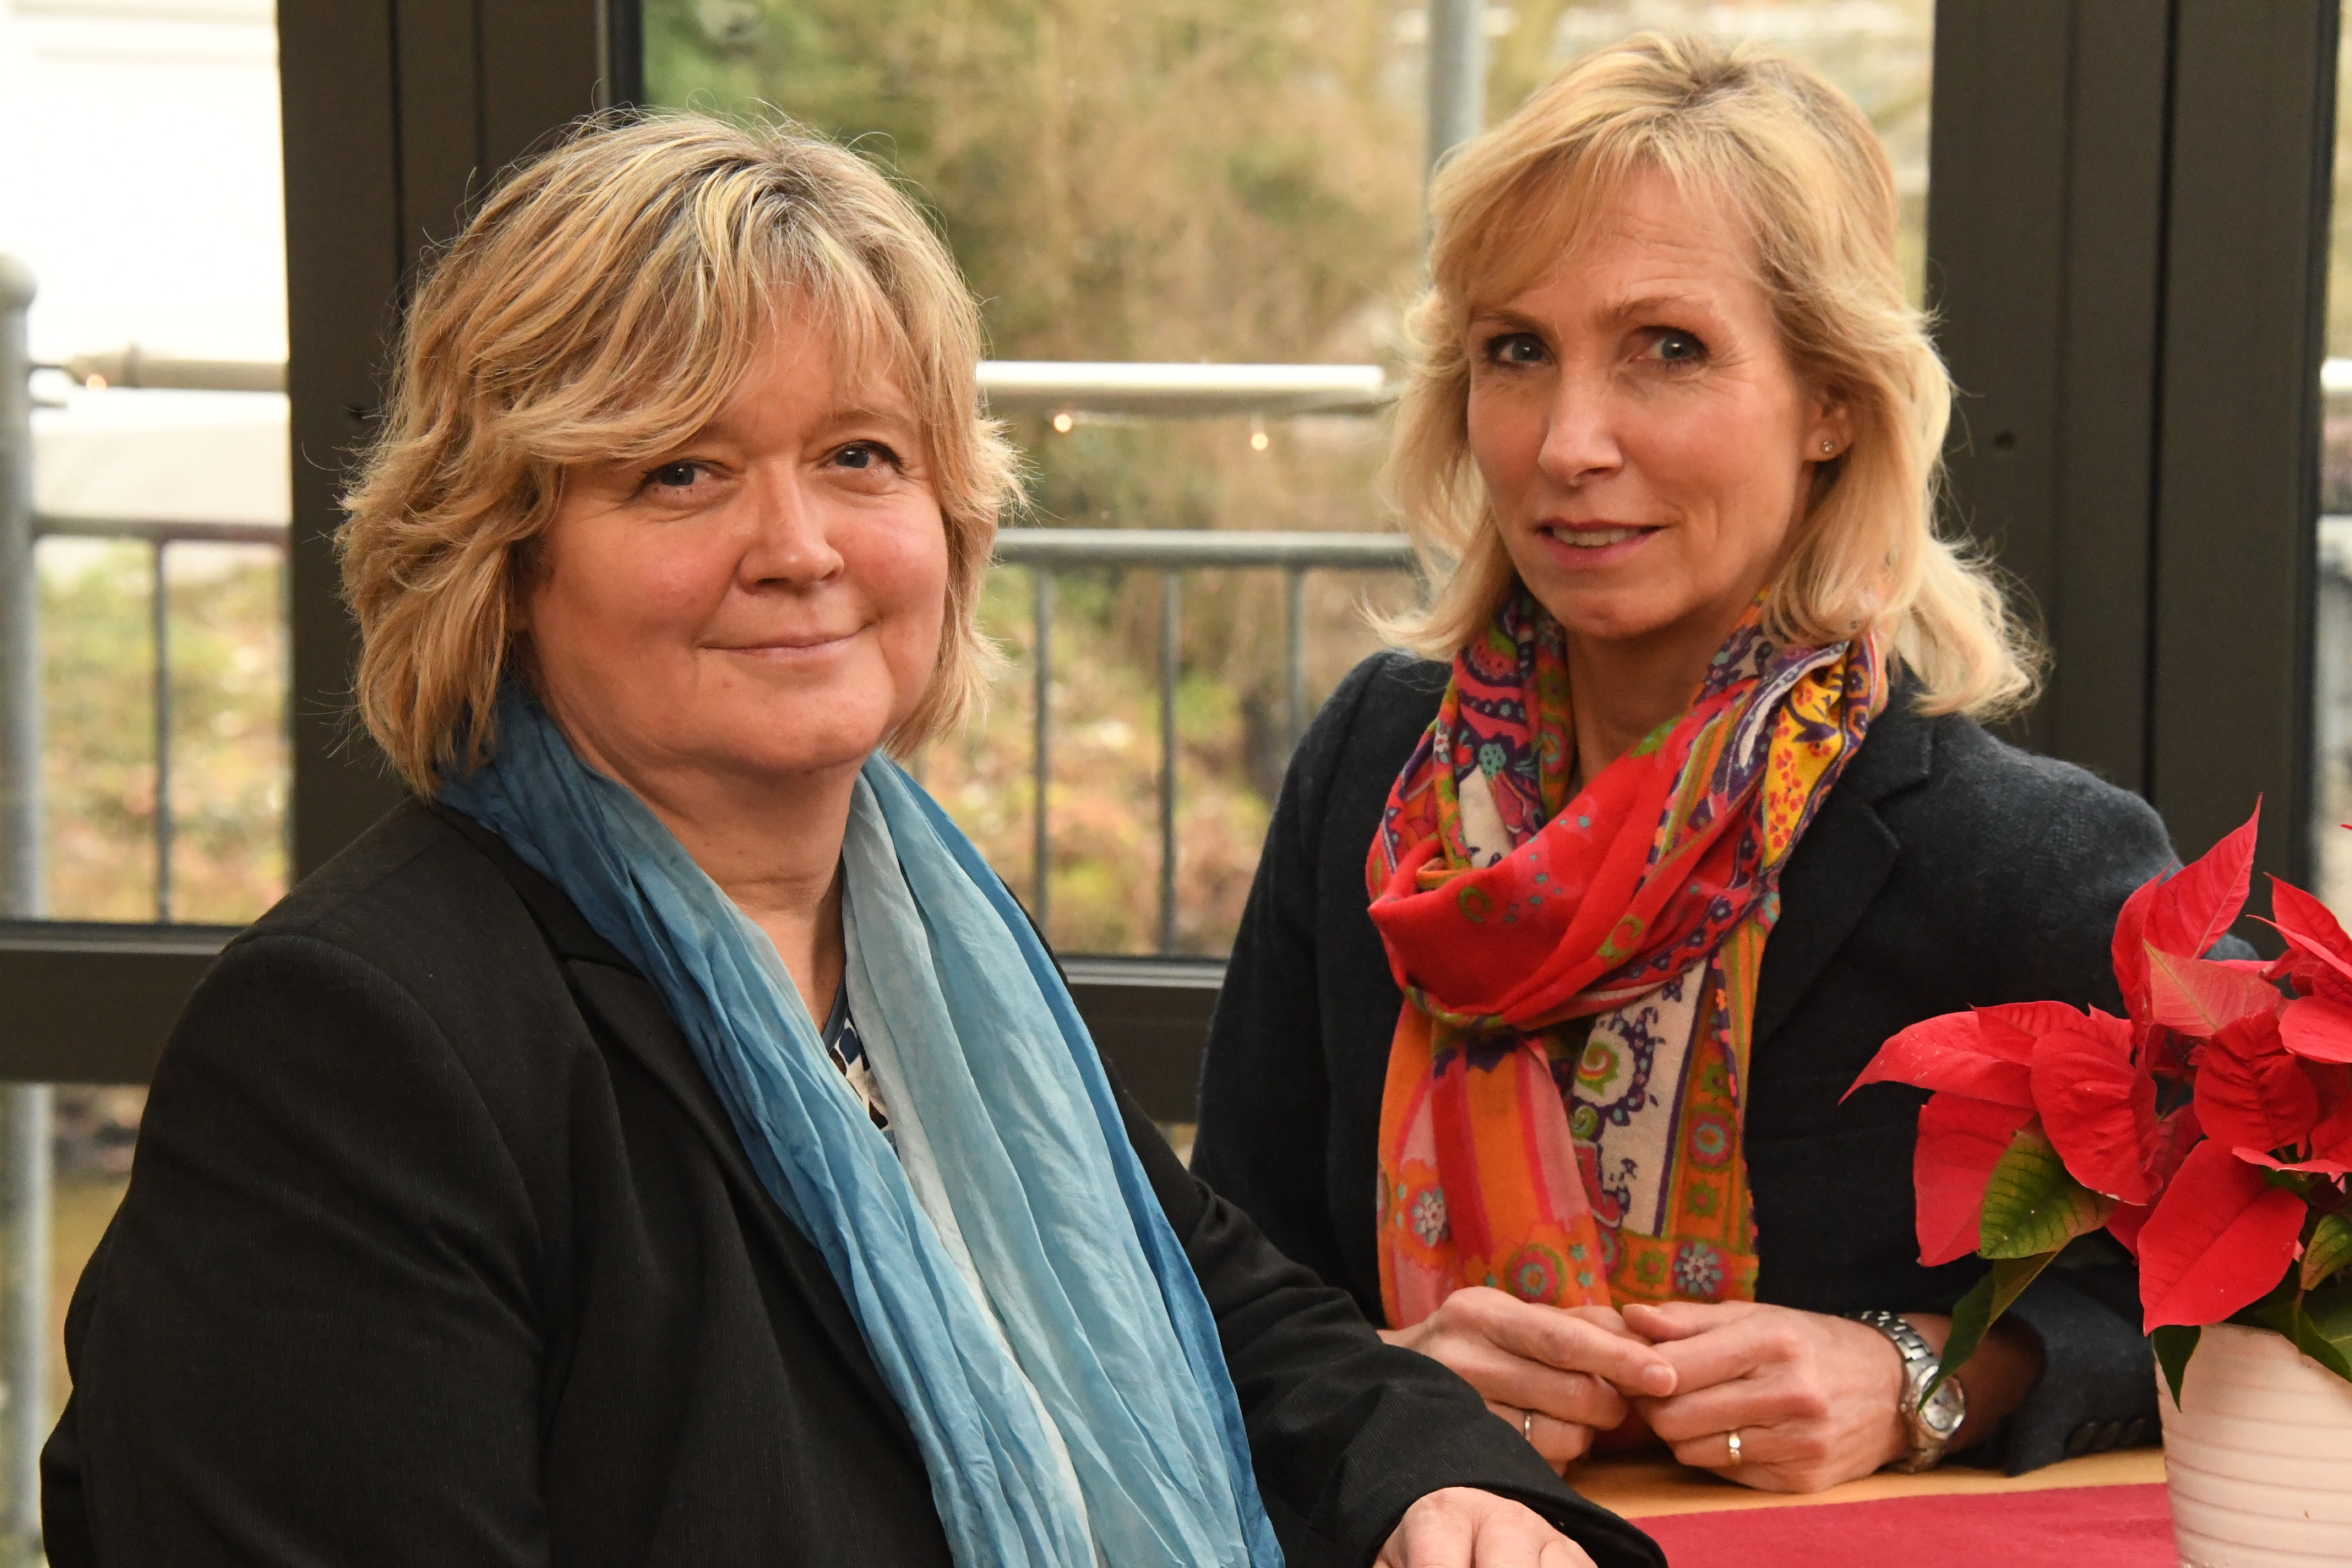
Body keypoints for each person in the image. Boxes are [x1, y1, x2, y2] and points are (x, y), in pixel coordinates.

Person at [38, 117, 1665, 1568]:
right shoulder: (356, 1051)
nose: (799, 546)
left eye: (859, 458)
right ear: (503, 556)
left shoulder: (930, 952)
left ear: (947, 521)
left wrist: (1445, 1488)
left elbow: (1219, 1308)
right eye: (681, 472)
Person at [1193, 31, 2197, 1495]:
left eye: (1667, 349)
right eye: (1516, 351)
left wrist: (1926, 1375)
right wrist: (1384, 1387)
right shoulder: (1374, 768)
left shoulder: (2023, 863)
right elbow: (1225, 1274)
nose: (1569, 443)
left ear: (1832, 400)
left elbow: (2273, 1282)